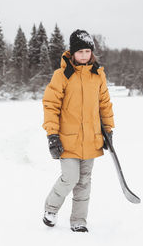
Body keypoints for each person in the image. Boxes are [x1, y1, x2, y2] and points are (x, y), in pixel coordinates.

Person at [41, 29, 115, 232]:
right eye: (80, 51)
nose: (84, 55)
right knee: (70, 177)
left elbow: (105, 104)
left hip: (91, 139)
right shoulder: (63, 75)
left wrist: (108, 129)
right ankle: (51, 209)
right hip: (67, 139)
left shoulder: (98, 75)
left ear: (92, 52)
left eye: (87, 51)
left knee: (84, 182)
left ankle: (79, 220)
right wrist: (52, 134)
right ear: (72, 53)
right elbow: (50, 105)